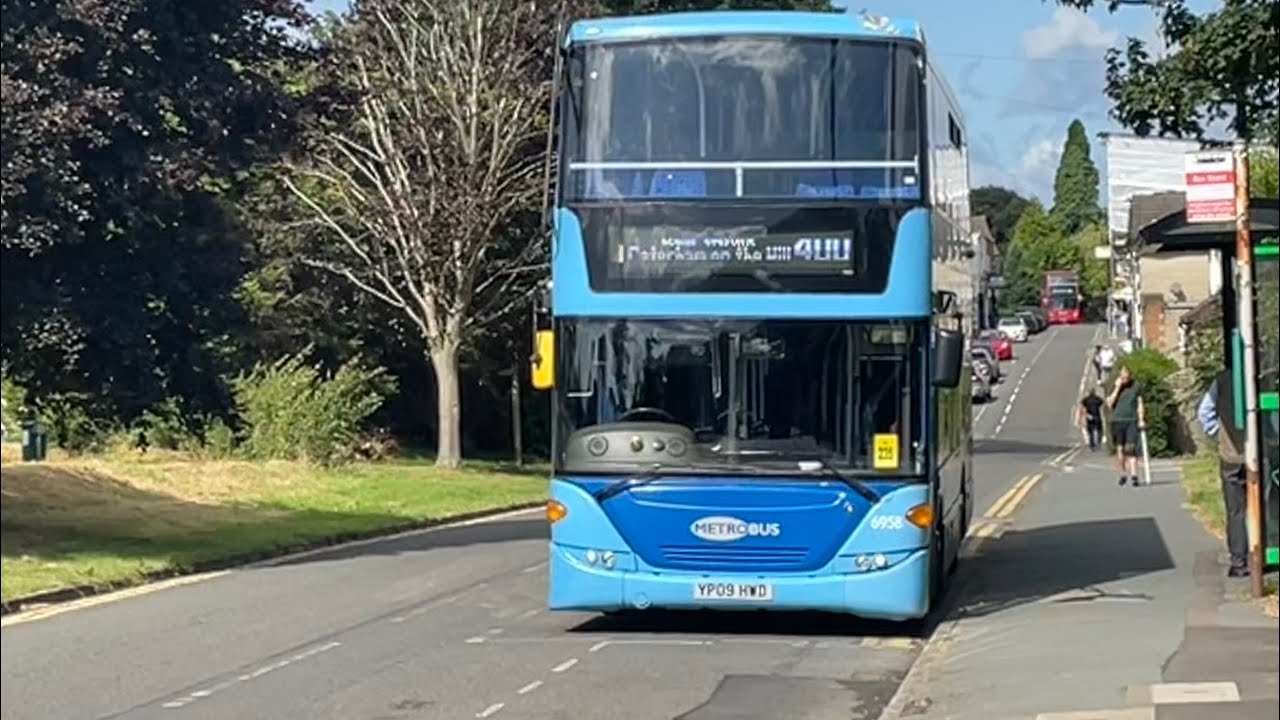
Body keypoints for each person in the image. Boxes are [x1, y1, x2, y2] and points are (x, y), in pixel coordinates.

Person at [1196, 367, 1249, 577]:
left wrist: (1220, 434)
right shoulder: (1266, 375)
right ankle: (1261, 553)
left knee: (1235, 510)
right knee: (1265, 505)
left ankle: (1239, 561)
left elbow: (1204, 412)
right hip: (1261, 452)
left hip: (1231, 454)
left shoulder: (1222, 380)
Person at [1107, 365, 1145, 487]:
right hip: (1117, 420)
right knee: (1120, 449)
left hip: (1131, 420)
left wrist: (1141, 419)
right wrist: (1117, 387)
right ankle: (1123, 474)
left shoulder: (1136, 386)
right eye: (1123, 378)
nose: (1125, 380)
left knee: (1131, 448)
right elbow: (1109, 403)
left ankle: (1134, 476)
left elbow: (1140, 403)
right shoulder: (1115, 386)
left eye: (1127, 378)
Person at [1076, 386, 1105, 451]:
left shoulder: (1085, 399)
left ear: (1088, 392)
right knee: (1099, 430)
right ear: (1094, 392)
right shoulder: (1098, 399)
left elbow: (1082, 407)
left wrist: (1085, 415)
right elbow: (1102, 404)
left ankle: (1092, 445)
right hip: (1097, 416)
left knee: (1091, 432)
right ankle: (1098, 443)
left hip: (1089, 416)